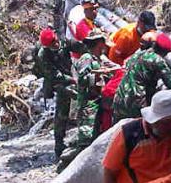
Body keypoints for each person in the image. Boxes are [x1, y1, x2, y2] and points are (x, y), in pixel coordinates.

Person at [112, 32, 171, 122]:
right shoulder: (158, 60)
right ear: (164, 52)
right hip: (135, 103)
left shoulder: (137, 55)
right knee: (136, 132)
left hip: (119, 98)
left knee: (117, 131)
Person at [37, 27, 83, 158]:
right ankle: (59, 144)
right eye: (52, 44)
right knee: (62, 112)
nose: (56, 44)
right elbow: (53, 74)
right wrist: (72, 80)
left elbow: (80, 47)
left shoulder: (63, 41)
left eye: (55, 41)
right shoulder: (43, 55)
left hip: (70, 76)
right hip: (57, 82)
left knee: (82, 101)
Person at [73, 29, 118, 151]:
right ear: (99, 43)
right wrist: (98, 75)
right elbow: (81, 80)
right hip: (88, 104)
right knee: (86, 139)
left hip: (98, 101)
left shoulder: (99, 58)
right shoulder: (86, 58)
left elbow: (113, 67)